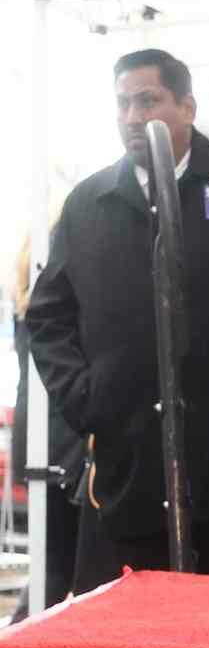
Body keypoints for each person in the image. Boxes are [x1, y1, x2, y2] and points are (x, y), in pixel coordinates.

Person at [25, 51, 209, 584]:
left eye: (148, 100)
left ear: (187, 106)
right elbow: (47, 315)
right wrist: (87, 398)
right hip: (130, 473)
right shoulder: (91, 202)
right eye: (122, 104)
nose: (132, 116)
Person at [7, 234, 85, 622]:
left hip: (40, 437)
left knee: (52, 564)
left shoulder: (24, 309)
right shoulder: (53, 310)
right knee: (60, 566)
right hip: (61, 441)